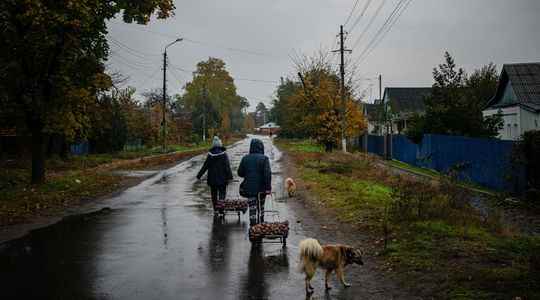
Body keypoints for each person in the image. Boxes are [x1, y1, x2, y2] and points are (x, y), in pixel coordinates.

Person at [238, 138, 271, 226]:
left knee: (252, 208)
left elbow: (240, 173)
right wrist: (268, 188)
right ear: (261, 147)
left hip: (249, 188)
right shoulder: (264, 159)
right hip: (262, 189)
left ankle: (253, 228)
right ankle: (261, 224)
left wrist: (248, 174)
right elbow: (267, 175)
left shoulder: (245, 158)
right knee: (261, 207)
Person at [197, 136, 233, 214]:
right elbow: (227, 167)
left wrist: (199, 175)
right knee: (222, 193)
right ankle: (221, 209)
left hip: (212, 179)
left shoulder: (210, 155)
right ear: (220, 144)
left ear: (213, 145)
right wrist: (230, 177)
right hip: (223, 179)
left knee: (214, 195)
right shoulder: (224, 155)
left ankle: (215, 209)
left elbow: (205, 166)